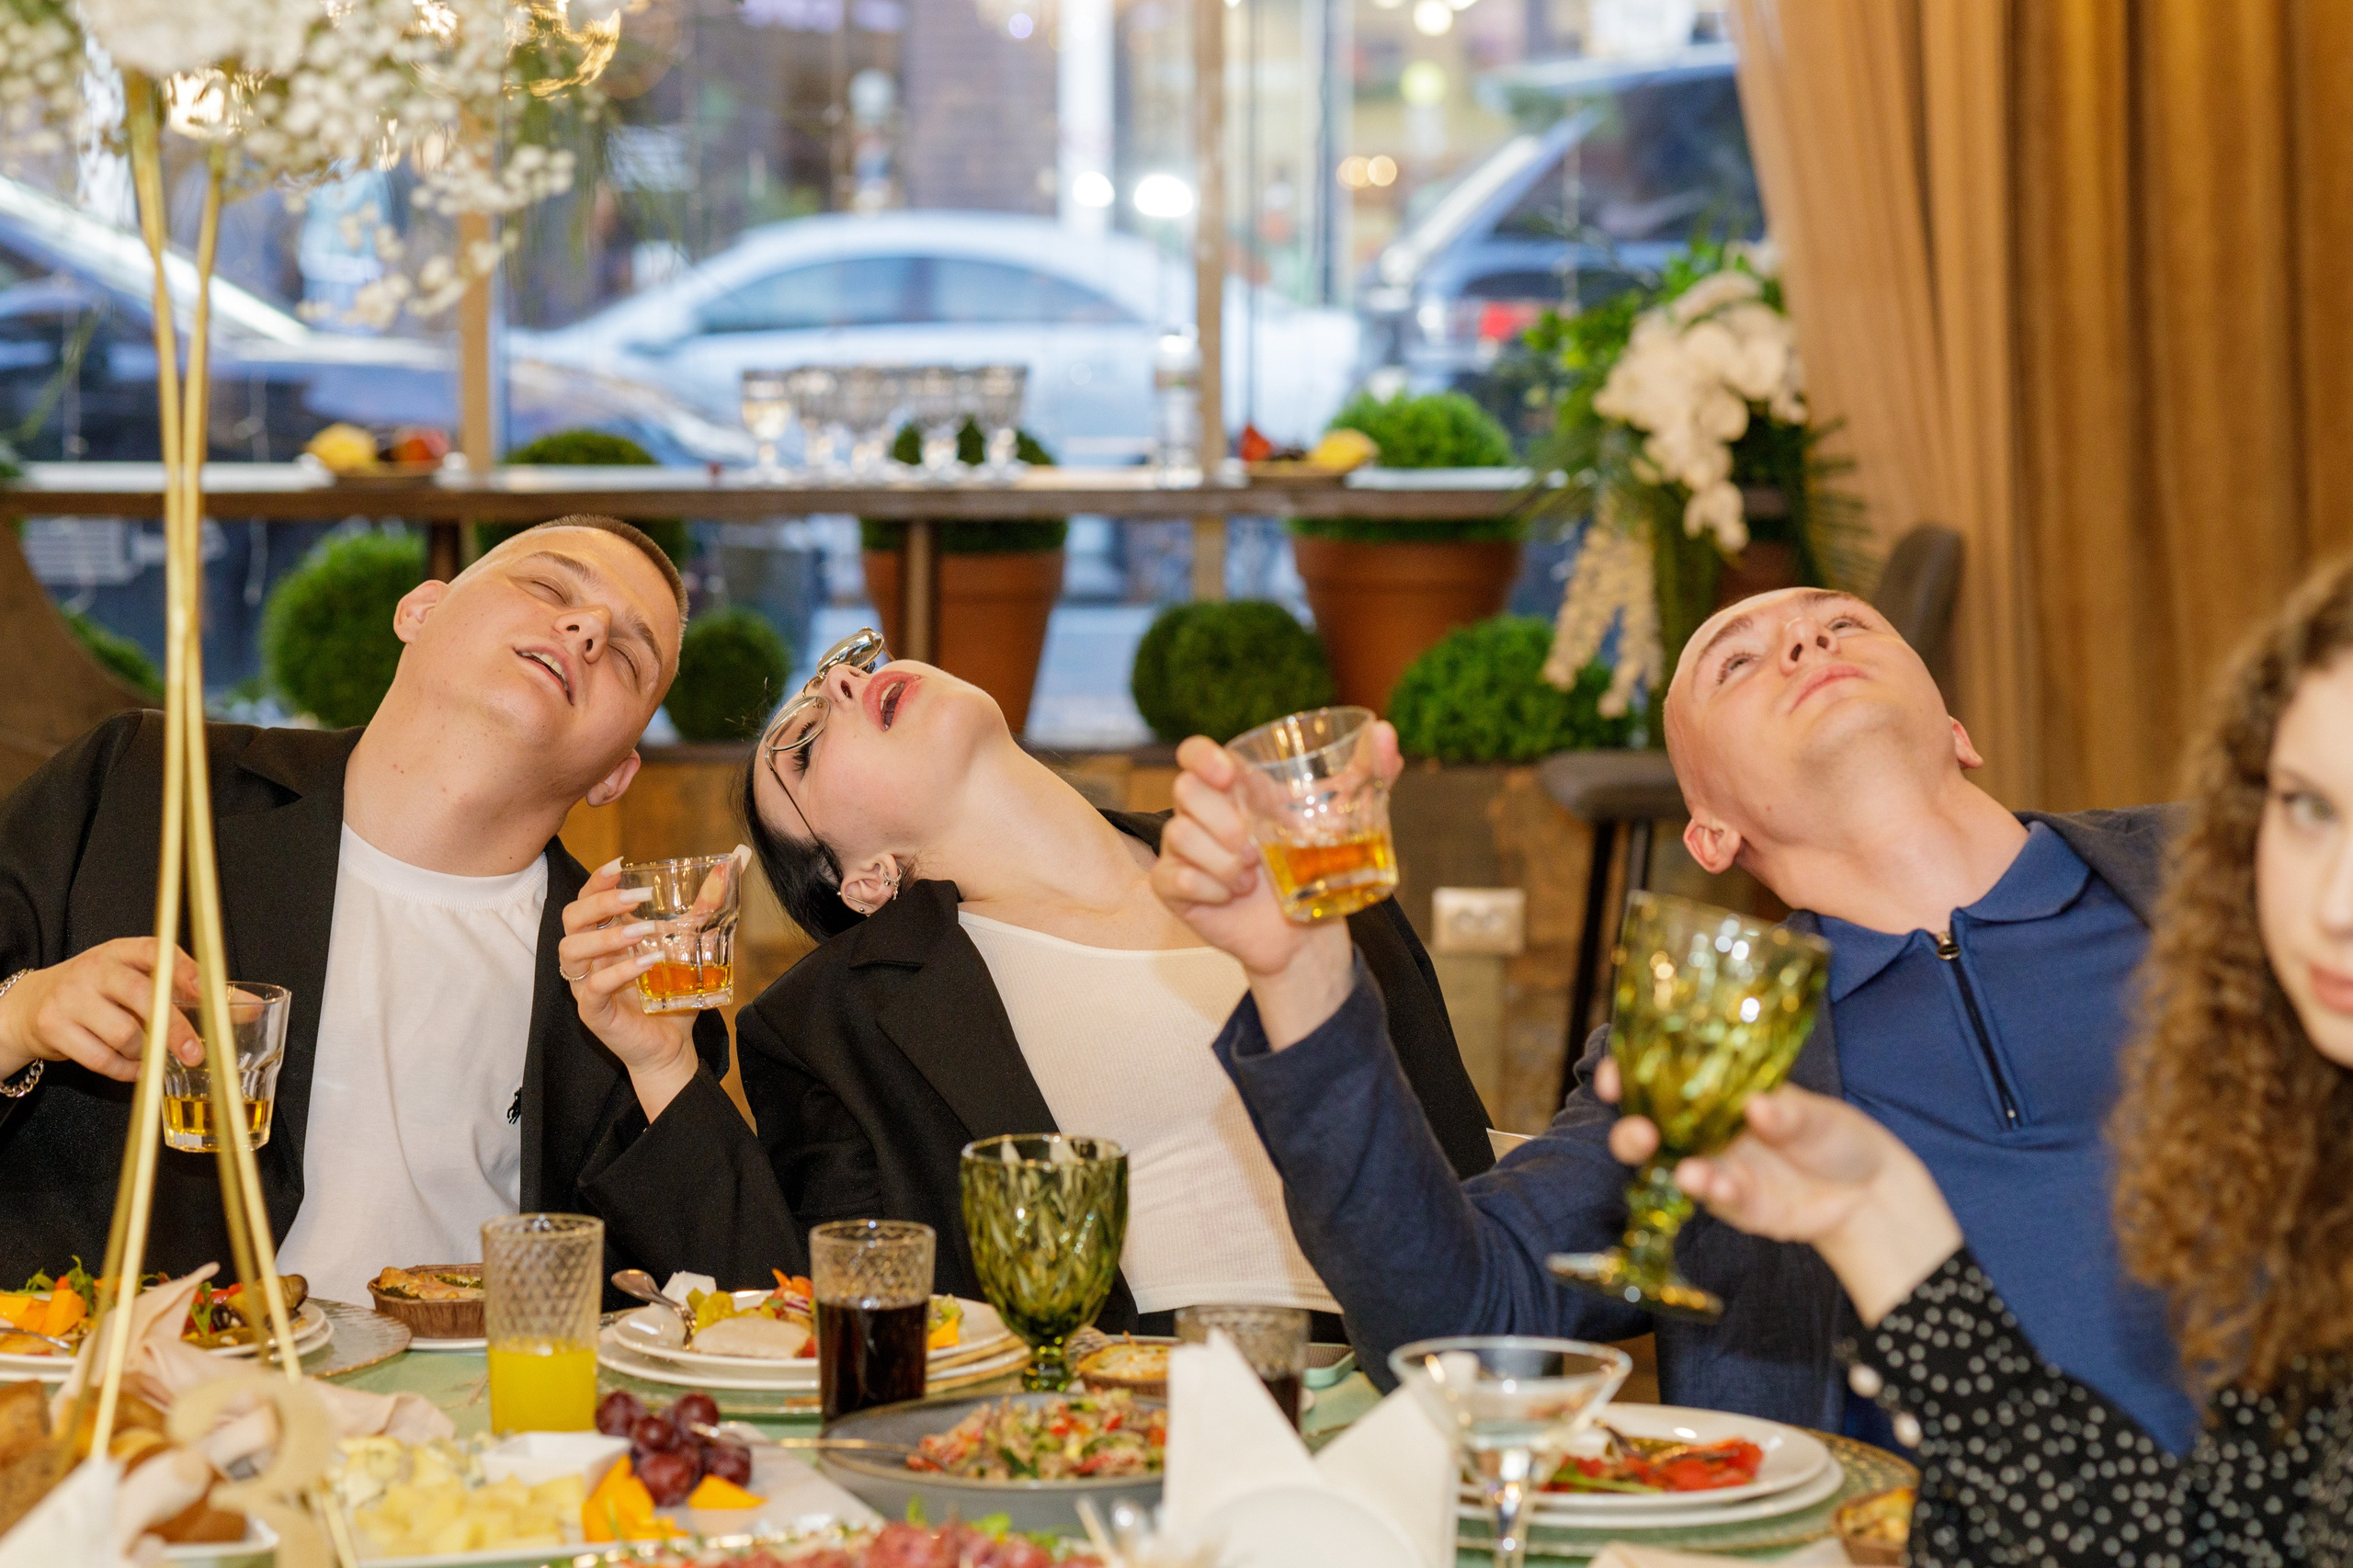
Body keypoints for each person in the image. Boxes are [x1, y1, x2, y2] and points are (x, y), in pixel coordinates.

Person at [1153, 586, 2199, 1448]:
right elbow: (1459, 1325)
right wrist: (1300, 965)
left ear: (1959, 731)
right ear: (1709, 832)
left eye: (1843, 624)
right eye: (1735, 664)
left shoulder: (2224, 879)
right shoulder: (1695, 1054)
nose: (1802, 639)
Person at [1652, 559, 2353, 1563]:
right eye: (2306, 810)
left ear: (1958, 734)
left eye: (1843, 621)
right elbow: (2165, 1543)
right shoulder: (1722, 1035)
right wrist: (1880, 1220)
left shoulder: (2197, 904)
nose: (2328, 902)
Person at [565, 631, 1493, 1334]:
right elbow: (806, 1320)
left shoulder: (1280, 857)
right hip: (1132, 1424)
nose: (845, 679)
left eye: (849, 663)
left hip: (1419, 1369)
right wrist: (659, 1065)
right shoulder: (831, 1023)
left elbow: (1457, 1164)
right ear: (867, 877)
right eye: (803, 743)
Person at [0, 516, 718, 1301]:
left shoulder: (635, 987)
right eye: (549, 586)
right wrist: (21, 1016)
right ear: (420, 611)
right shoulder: (141, 789)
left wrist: (666, 1071)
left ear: (616, 774)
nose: (585, 629)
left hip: (471, 1411)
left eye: (625, 654)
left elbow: (720, 1314)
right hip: (132, 1403)